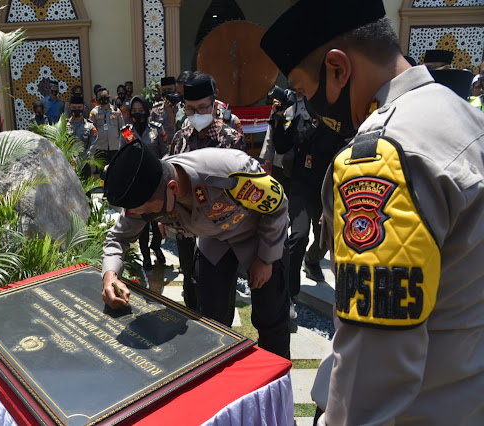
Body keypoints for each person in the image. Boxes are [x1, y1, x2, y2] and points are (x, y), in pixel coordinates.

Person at [261, 0, 484, 423]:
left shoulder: (381, 155)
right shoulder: (459, 111)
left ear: (338, 69)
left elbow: (372, 363)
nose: (308, 106)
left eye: (306, 92)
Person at [101, 140, 291, 358]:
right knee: (210, 320)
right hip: (214, 240)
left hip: (259, 235)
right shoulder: (146, 192)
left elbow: (277, 206)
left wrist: (266, 259)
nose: (146, 219)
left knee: (271, 317)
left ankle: (275, 381)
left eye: (150, 214)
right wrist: (110, 276)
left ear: (173, 188)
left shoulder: (230, 172)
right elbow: (118, 238)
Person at [169, 79, 246, 311]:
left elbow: (241, 192)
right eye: (190, 109)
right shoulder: (179, 139)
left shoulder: (231, 140)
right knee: (191, 290)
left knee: (218, 298)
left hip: (220, 234)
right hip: (186, 231)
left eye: (203, 107)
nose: (197, 113)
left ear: (215, 104)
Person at [270, 95, 345, 315]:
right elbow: (282, 146)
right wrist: (277, 119)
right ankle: (290, 294)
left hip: (324, 193)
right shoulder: (300, 121)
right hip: (300, 188)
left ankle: (311, 261)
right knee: (299, 236)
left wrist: (333, 202)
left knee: (325, 238)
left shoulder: (337, 131)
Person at [121, 95, 168, 271]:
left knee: (158, 221)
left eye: (141, 111)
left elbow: (165, 153)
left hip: (156, 183)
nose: (138, 114)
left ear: (147, 111)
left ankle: (156, 246)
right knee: (142, 223)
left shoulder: (157, 128)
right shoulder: (126, 132)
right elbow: (122, 156)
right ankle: (146, 256)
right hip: (136, 185)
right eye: (134, 111)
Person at [88, 87, 125, 164]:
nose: (103, 98)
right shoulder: (93, 112)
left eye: (105, 96)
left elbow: (122, 128)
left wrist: (122, 146)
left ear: (109, 97)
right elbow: (91, 130)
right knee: (103, 172)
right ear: (97, 99)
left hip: (115, 146)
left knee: (115, 169)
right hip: (100, 147)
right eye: (101, 97)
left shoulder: (116, 111)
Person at [67, 94, 97, 179]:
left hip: (84, 162)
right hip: (68, 163)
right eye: (74, 108)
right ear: (70, 108)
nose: (77, 110)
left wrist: (84, 157)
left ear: (83, 108)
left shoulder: (90, 126)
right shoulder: (64, 125)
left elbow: (93, 144)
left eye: (79, 108)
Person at [150, 76, 183, 142]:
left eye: (169, 89)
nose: (167, 92)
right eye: (164, 90)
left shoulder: (182, 108)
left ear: (175, 90)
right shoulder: (156, 109)